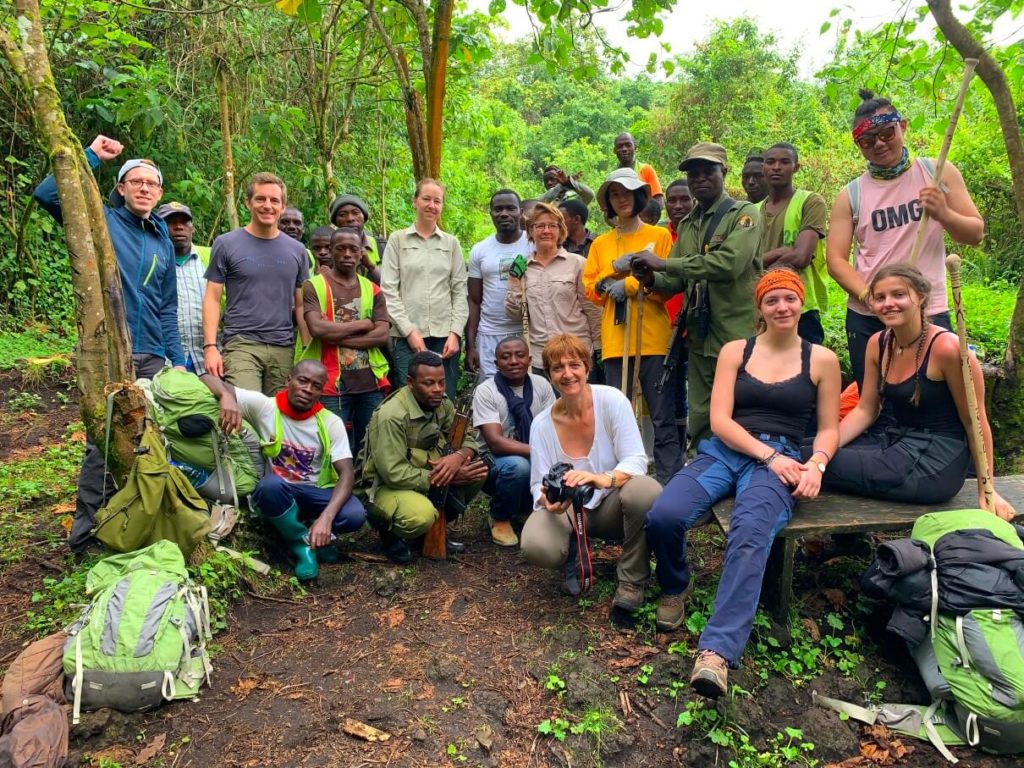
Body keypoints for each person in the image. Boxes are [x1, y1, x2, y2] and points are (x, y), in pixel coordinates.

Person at [646, 268, 840, 697]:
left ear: (801, 302)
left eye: (789, 298)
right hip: (728, 450)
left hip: (783, 460)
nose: (782, 307)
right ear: (761, 307)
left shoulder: (821, 359)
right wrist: (765, 453)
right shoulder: (738, 350)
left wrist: (817, 464)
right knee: (664, 514)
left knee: (750, 533)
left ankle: (716, 653)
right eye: (772, 300)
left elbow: (828, 428)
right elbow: (719, 420)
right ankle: (675, 586)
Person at [34, 135, 186, 552]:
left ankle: (141, 524)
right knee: (102, 445)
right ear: (120, 188)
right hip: (109, 353)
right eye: (134, 182)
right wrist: (90, 157)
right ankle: (87, 536)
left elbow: (167, 306)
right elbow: (48, 194)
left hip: (152, 353)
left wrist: (178, 358)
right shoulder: (101, 221)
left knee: (155, 440)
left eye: (151, 184)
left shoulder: (161, 241)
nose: (143, 189)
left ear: (160, 192)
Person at [820, 264, 1015, 520]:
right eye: (880, 297)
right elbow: (866, 409)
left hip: (934, 465)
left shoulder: (948, 349)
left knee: (805, 460)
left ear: (921, 297)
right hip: (895, 445)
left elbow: (975, 422)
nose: (888, 303)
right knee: (806, 449)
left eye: (899, 295)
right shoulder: (878, 343)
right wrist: (822, 451)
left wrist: (987, 490)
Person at [826, 89, 983, 387]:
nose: (880, 144)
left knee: (934, 396)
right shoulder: (851, 195)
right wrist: (870, 298)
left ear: (903, 126)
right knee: (874, 400)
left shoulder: (937, 173)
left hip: (928, 308)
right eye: (868, 141)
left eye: (887, 133)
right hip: (868, 316)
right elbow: (835, 260)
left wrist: (944, 214)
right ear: (858, 144)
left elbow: (975, 234)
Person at [631, 142, 761, 449]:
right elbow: (675, 279)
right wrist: (651, 278)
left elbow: (729, 264)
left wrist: (663, 263)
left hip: (736, 331)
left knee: (741, 405)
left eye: (708, 172)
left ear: (724, 172)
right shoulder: (688, 224)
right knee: (702, 411)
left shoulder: (743, 214)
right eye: (694, 174)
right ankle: (706, 463)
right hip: (700, 334)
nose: (700, 179)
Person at [521, 335, 662, 610]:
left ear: (587, 367)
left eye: (574, 365)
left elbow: (636, 459)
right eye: (558, 368)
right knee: (536, 544)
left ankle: (632, 579)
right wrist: (547, 499)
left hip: (611, 502)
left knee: (645, 490)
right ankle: (570, 552)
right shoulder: (541, 425)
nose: (567, 374)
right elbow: (537, 481)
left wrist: (601, 479)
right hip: (568, 510)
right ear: (549, 375)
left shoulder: (611, 401)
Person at [205, 360, 366, 580]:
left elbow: (347, 474)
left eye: (316, 386)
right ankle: (303, 546)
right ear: (288, 380)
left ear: (321, 391)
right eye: (302, 381)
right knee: (269, 485)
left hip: (314, 493)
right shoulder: (265, 407)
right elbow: (206, 378)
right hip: (281, 492)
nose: (308, 389)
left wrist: (326, 519)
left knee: (355, 514)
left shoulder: (330, 423)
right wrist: (225, 396)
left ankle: (319, 533)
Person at [583, 168, 681, 484]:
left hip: (653, 339)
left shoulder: (659, 236)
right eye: (614, 194)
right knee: (618, 418)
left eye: (626, 192)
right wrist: (611, 275)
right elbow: (590, 289)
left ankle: (669, 484)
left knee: (663, 417)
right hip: (616, 342)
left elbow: (669, 285)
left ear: (639, 196)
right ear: (608, 202)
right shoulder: (600, 243)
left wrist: (629, 284)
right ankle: (620, 483)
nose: (621, 198)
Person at [359, 351, 489, 563]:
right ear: (410, 383)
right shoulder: (392, 415)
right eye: (428, 383)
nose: (437, 389)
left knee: (476, 471)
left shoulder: (442, 403)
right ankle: (392, 535)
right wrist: (447, 477)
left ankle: (433, 531)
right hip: (384, 486)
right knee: (421, 515)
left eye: (441, 382)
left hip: (423, 475)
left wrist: (459, 456)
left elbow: (467, 439)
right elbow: (393, 473)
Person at [203, 172, 309, 396]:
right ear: (248, 202)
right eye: (260, 199)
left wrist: (308, 351)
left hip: (283, 346)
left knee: (278, 418)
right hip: (241, 344)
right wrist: (210, 347)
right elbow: (212, 298)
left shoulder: (298, 251)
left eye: (274, 200)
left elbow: (301, 305)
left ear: (283, 206)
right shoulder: (226, 244)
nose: (267, 206)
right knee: (247, 411)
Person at [299, 227, 391, 459]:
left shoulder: (373, 289)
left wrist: (336, 334)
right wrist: (362, 325)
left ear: (362, 254)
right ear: (331, 252)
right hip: (331, 383)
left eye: (353, 249)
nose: (347, 254)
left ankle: (364, 492)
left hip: (370, 382)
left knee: (370, 444)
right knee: (333, 447)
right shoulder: (315, 285)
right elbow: (318, 329)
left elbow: (382, 335)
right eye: (340, 249)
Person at [380, 179, 467, 402]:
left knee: (443, 400)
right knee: (408, 400)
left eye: (437, 201)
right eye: (426, 199)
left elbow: (459, 291)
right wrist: (409, 331)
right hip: (406, 338)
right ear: (415, 202)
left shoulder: (451, 244)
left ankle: (443, 439)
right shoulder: (398, 240)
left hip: (444, 339)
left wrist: (456, 333)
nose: (432, 205)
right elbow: (388, 290)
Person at [473, 337, 556, 546]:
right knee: (519, 466)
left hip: (533, 456)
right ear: (496, 363)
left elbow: (553, 427)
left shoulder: (541, 385)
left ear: (529, 359)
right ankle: (499, 516)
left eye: (519, 355)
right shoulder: (486, 391)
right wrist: (539, 451)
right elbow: (495, 442)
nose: (513, 361)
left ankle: (528, 508)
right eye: (506, 356)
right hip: (494, 463)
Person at [505, 203, 602, 376]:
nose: (546, 231)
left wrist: (601, 348)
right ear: (531, 231)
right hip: (541, 359)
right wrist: (513, 280)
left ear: (561, 231)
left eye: (552, 225)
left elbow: (593, 310)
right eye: (539, 226)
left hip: (577, 355)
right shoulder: (522, 267)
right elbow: (515, 314)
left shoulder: (577, 263)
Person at [758, 142, 829, 344]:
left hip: (800, 305)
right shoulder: (752, 210)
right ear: (763, 167)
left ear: (796, 167)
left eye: (784, 162)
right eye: (770, 162)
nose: (777, 167)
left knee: (807, 369)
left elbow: (801, 256)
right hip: (762, 305)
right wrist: (783, 251)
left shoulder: (810, 201)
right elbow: (742, 261)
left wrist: (758, 262)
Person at [466, 190, 529, 379]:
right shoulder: (480, 250)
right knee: (492, 392)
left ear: (521, 211)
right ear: (491, 214)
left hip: (526, 332)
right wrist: (470, 345)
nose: (504, 214)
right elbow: (474, 300)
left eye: (510, 208)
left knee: (527, 391)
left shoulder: (534, 244)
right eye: (498, 209)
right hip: (489, 334)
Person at [158, 202, 211, 375]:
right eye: (171, 222)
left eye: (184, 222)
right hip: (165, 358)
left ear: (192, 228)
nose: (179, 227)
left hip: (208, 357)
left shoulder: (211, 257)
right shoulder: (153, 261)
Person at [613, 132, 663, 202]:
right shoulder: (613, 177)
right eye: (620, 146)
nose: (624, 149)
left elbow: (658, 201)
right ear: (614, 150)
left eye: (628, 145)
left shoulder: (646, 170)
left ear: (635, 147)